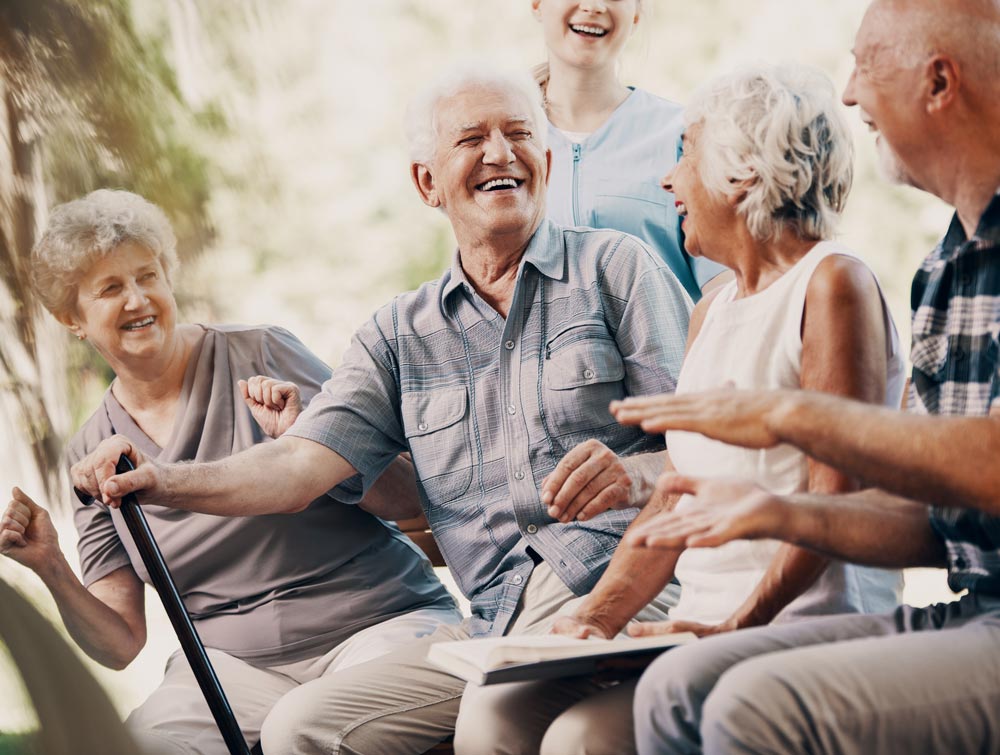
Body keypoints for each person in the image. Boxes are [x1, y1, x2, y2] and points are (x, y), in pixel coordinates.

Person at [69, 67, 694, 754]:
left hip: (616, 577)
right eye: (472, 138)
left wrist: (636, 476)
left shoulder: (615, 267)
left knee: (496, 722)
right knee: (301, 726)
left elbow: (705, 446)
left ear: (546, 164)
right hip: (491, 620)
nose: (500, 153)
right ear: (427, 182)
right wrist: (162, 479)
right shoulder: (399, 332)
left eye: (519, 135)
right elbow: (297, 465)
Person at [609, 1, 1000, 752]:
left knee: (752, 708)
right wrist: (777, 511)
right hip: (970, 603)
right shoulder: (944, 270)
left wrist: (790, 416)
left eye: (866, 63)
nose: (848, 95)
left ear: (939, 82)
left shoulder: (836, 282)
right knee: (672, 689)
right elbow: (935, 522)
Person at [483, 62, 904, 755]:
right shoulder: (713, 307)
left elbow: (834, 513)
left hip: (800, 628)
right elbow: (673, 497)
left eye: (684, 154)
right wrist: (594, 619)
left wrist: (731, 627)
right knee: (502, 717)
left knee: (580, 740)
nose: (668, 180)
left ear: (741, 175)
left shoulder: (833, 284)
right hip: (703, 628)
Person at [0, 189, 460, 755]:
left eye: (149, 275)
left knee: (304, 729)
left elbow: (406, 497)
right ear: (72, 318)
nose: (139, 298)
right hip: (236, 672)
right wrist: (50, 564)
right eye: (111, 288)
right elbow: (119, 642)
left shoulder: (261, 354)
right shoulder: (92, 453)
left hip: (375, 628)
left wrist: (306, 436)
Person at [532, 0, 728, 299]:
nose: (593, 6)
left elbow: (723, 286)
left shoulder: (684, 135)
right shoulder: (503, 142)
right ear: (537, 4)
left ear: (636, 14)